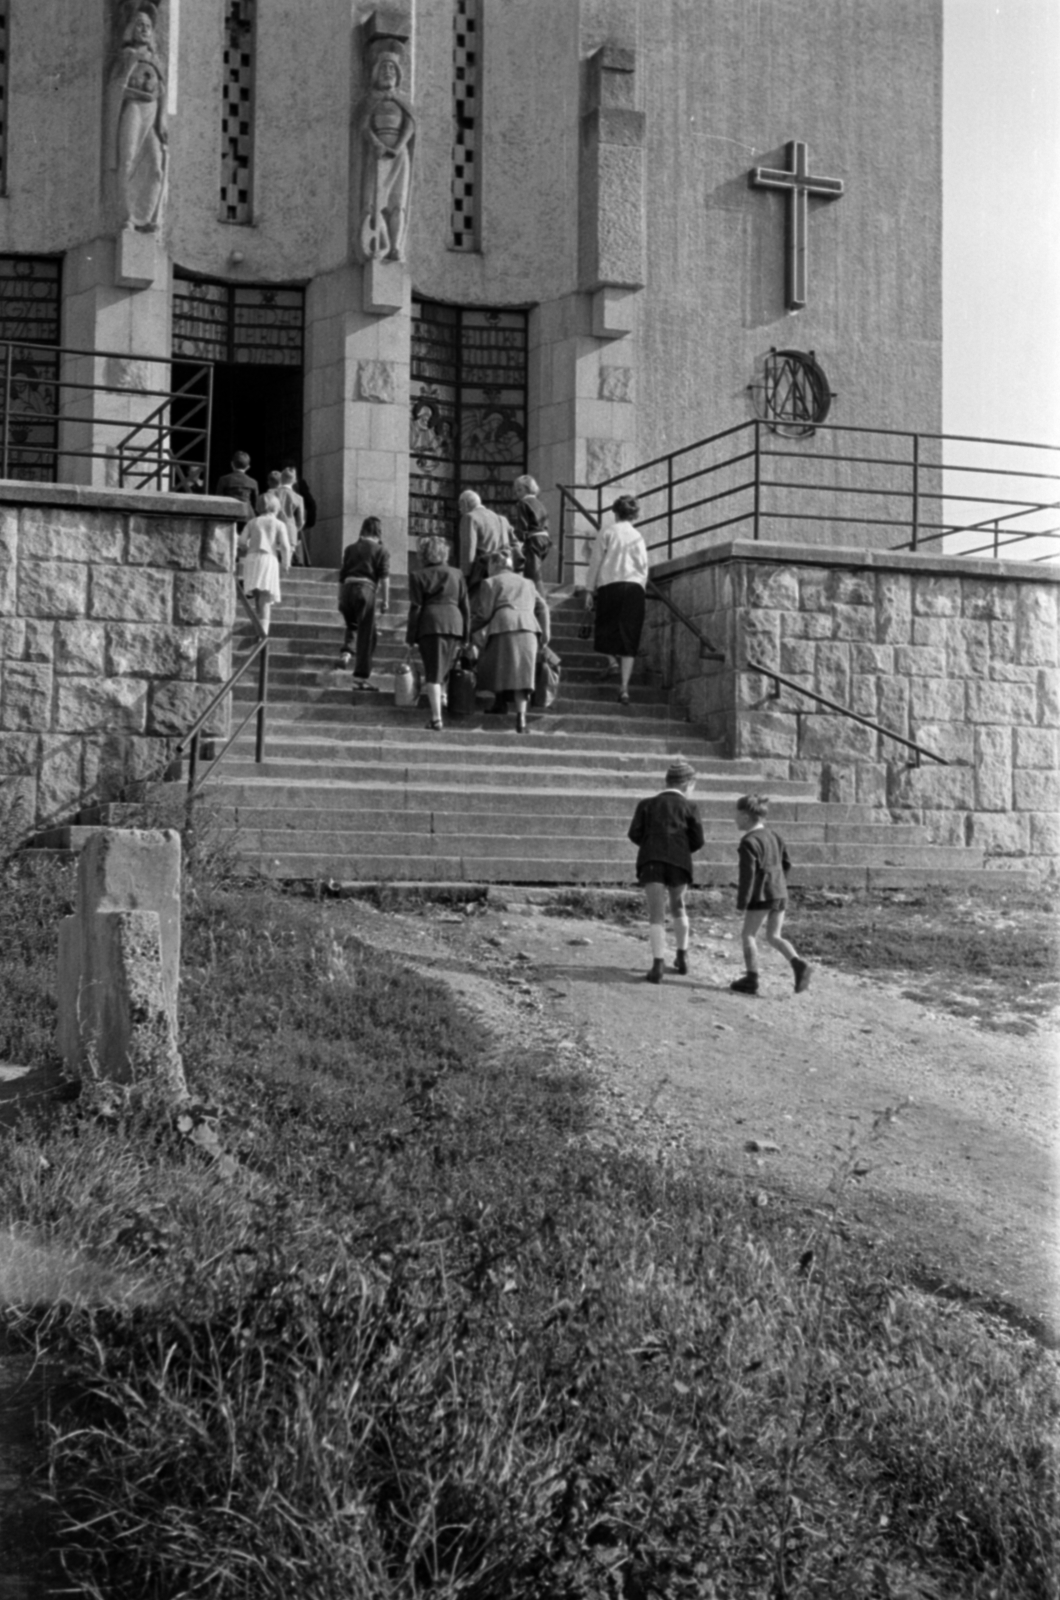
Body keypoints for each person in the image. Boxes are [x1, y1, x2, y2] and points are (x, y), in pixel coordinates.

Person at [627, 758, 705, 984]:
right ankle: (682, 956)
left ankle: (658, 965)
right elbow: (698, 839)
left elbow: (634, 833)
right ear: (688, 783)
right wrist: (681, 849)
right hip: (680, 861)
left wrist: (651, 844)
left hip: (651, 859)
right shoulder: (690, 807)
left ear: (666, 781)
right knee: (678, 905)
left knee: (656, 912)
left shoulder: (646, 804)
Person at [730, 793, 812, 996]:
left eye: (736, 815)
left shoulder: (748, 842)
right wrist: (779, 883)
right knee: (774, 936)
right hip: (780, 891)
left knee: (748, 934)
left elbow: (747, 875)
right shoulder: (774, 835)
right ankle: (799, 964)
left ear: (745, 817)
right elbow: (787, 863)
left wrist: (742, 902)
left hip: (761, 894)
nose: (734, 819)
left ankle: (751, 978)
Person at [471, 547, 549, 733]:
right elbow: (543, 607)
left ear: (494, 565)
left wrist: (467, 629)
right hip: (529, 628)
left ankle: (499, 702)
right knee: (523, 672)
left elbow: (484, 615)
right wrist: (545, 634)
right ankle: (521, 718)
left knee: (496, 663)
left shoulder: (490, 582)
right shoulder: (528, 583)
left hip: (502, 626)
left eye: (488, 565)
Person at [584, 494, 649, 705]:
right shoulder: (638, 536)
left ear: (615, 512)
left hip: (611, 585)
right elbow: (643, 566)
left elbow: (596, 561)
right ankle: (624, 688)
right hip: (634, 588)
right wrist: (640, 587)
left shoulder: (608, 532)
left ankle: (612, 662)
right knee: (629, 637)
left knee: (605, 627)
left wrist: (589, 589)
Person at [107, 4, 168, 233]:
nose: (144, 29)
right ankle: (127, 216)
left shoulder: (156, 60)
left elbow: (162, 92)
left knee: (156, 166)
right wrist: (128, 77)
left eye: (148, 26)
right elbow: (115, 86)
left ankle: (148, 215)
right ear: (131, 29)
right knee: (128, 159)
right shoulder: (127, 55)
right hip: (133, 108)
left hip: (151, 112)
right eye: (140, 25)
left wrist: (162, 119)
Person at [406, 535, 471, 731]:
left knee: (433, 671)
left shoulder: (417, 575)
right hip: (454, 623)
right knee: (444, 665)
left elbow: (416, 608)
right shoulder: (457, 574)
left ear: (424, 554)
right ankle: (442, 697)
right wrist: (467, 635)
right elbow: (465, 606)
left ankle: (436, 718)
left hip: (431, 623)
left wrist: (410, 637)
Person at [360, 52, 415, 262]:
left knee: (397, 202)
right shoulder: (372, 100)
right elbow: (364, 125)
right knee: (374, 202)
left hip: (398, 155)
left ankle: (396, 247)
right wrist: (376, 144)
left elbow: (410, 125)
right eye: (383, 68)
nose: (388, 72)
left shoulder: (402, 102)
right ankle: (380, 244)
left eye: (392, 68)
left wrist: (398, 147)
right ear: (376, 73)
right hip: (378, 154)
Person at [338, 516, 391, 688]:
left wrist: (340, 598)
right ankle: (360, 677)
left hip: (347, 590)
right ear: (379, 533)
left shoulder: (350, 549)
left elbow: (342, 576)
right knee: (368, 636)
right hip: (365, 590)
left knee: (353, 624)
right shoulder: (381, 551)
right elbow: (384, 578)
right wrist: (385, 600)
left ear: (363, 530)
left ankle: (347, 652)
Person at [238, 491, 292, 635]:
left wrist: (248, 548)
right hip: (268, 558)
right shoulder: (279, 524)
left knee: (257, 594)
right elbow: (285, 546)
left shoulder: (252, 522)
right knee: (266, 596)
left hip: (252, 558)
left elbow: (241, 541)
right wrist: (286, 563)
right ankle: (263, 632)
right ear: (276, 507)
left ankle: (258, 627)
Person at [457, 488, 515, 594]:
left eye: (460, 506)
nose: (460, 510)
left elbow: (468, 549)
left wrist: (465, 576)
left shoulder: (470, 517)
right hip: (501, 570)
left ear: (464, 503)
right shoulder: (501, 519)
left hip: (482, 573)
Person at [512, 473, 551, 591]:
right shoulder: (540, 503)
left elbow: (522, 525)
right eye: (516, 490)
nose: (517, 493)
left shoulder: (523, 503)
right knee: (535, 570)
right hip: (544, 540)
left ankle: (540, 599)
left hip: (533, 540)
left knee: (532, 575)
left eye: (519, 490)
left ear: (528, 489)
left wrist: (518, 541)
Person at [216, 452, 258, 520]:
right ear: (248, 467)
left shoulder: (223, 480)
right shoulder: (253, 482)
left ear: (232, 464)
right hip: (248, 517)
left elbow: (219, 500)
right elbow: (256, 504)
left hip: (228, 516)